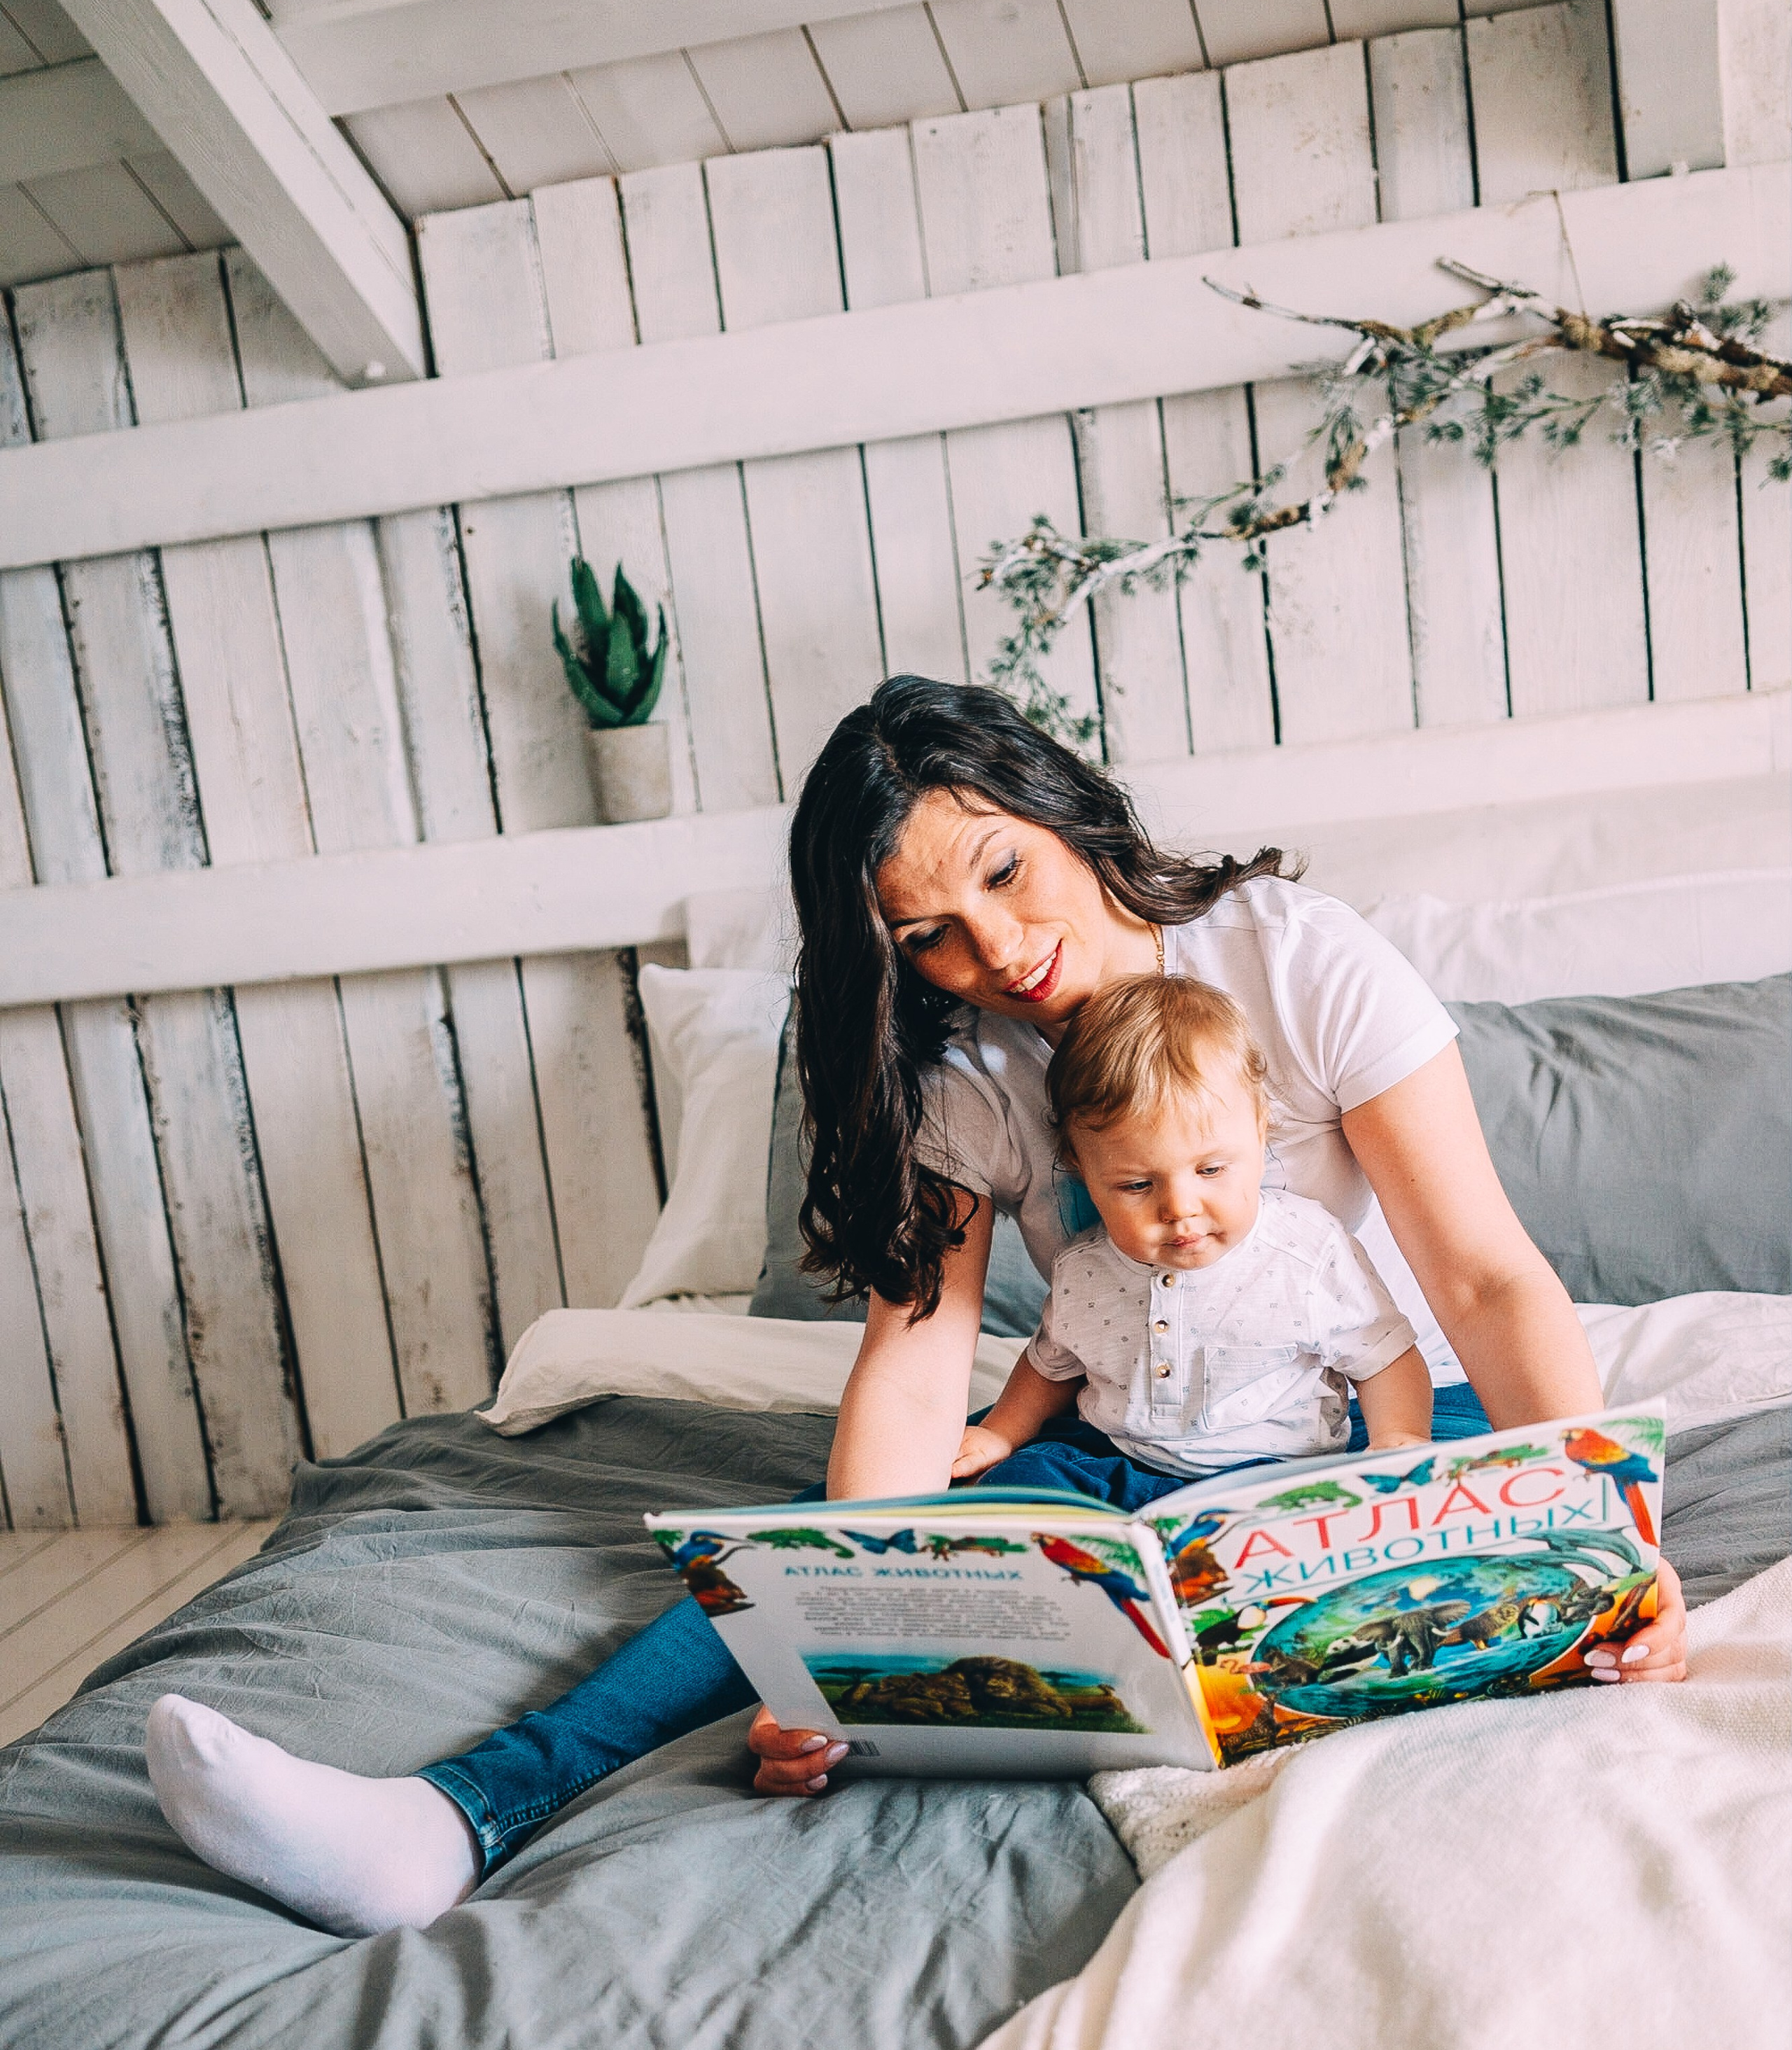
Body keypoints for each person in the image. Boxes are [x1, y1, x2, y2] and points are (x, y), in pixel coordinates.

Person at [146, 679, 1688, 1935]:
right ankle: (452, 1817)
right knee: (798, 1568)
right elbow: (915, 1352)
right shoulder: (963, 1071)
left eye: (1003, 874)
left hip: (1366, 1425)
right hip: (1121, 1446)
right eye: (926, 935)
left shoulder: (1296, 962)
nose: (996, 953)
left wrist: (1611, 1552)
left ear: (1057, 808)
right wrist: (829, 1636)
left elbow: (1481, 1277)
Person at [953, 972, 1434, 1493]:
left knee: (1325, 1505)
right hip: (1119, 1455)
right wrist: (1000, 1432)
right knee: (1023, 1477)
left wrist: (1399, 1437)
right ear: (1081, 1167)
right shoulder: (1083, 1267)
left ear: (1260, 1132)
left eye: (1210, 1170)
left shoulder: (1307, 1250)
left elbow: (1384, 1356)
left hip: (1273, 1470)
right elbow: (1050, 1366)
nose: (1180, 1208)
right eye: (1137, 1185)